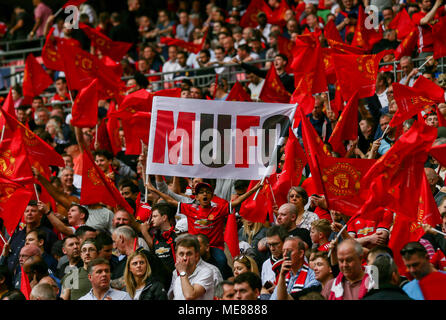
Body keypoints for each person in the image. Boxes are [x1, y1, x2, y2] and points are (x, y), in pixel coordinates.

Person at [147, 180, 261, 280]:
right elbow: (170, 200)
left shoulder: (219, 209)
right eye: (201, 192)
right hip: (195, 249)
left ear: (211, 195)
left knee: (222, 262)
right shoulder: (190, 209)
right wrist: (154, 190)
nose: (205, 194)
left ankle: (225, 285)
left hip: (215, 248)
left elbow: (237, 202)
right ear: (196, 197)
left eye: (207, 192)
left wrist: (254, 189)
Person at [168, 235, 214, 300]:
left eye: (189, 254)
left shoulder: (206, 272)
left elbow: (190, 295)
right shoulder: (177, 275)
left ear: (196, 256)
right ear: (176, 256)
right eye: (181, 254)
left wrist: (182, 272)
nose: (184, 258)